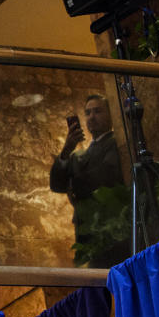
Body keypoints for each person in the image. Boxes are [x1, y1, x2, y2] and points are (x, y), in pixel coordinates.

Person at [49, 94, 126, 268]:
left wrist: (74, 186)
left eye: (98, 111)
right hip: (87, 234)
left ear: (111, 115)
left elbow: (105, 179)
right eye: (88, 113)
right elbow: (57, 185)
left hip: (111, 232)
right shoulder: (77, 156)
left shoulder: (116, 143)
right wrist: (66, 150)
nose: (91, 117)